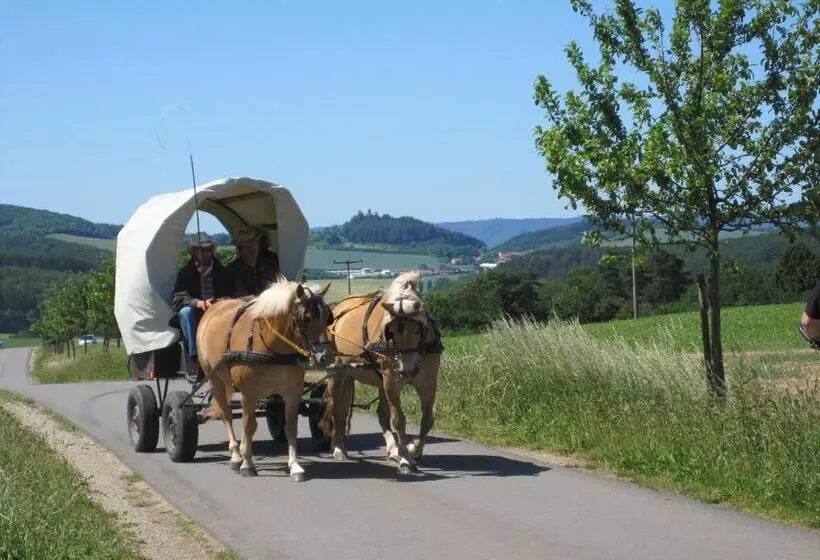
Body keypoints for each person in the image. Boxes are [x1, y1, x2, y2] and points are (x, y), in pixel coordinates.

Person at [170, 237, 233, 378]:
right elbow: (178, 298)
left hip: (218, 309)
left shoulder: (221, 271)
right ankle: (195, 354)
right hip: (195, 312)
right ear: (194, 252)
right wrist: (198, 303)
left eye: (207, 250)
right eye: (200, 250)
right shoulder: (185, 273)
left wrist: (222, 300)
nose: (204, 253)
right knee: (186, 313)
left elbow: (230, 292)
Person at [226, 226, 281, 297]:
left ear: (259, 244)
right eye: (246, 246)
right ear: (240, 249)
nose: (251, 248)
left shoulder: (271, 265)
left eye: (254, 244)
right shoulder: (232, 271)